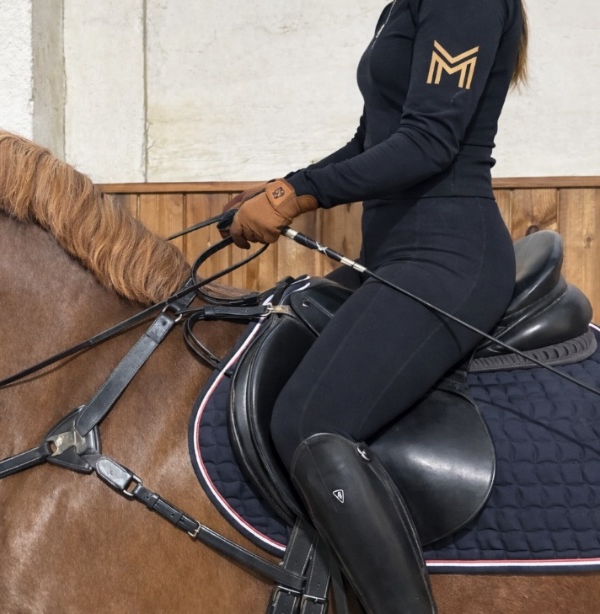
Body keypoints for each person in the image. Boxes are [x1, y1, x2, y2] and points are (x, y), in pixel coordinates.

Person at [221, 1, 528, 612]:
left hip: (449, 256)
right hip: (393, 254)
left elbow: (429, 142)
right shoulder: (401, 6)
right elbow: (374, 139)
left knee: (309, 420)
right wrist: (281, 186)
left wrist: (296, 196)